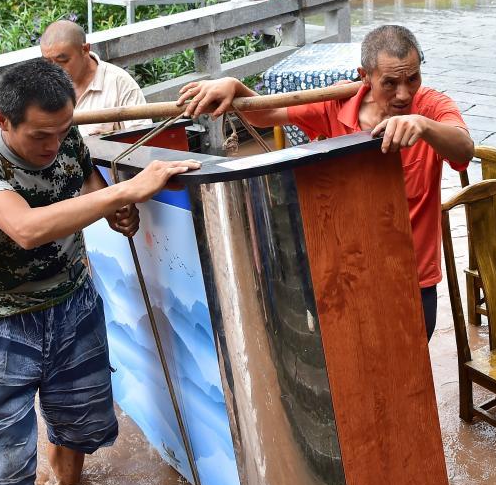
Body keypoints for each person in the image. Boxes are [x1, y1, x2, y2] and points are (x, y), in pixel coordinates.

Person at [0, 59, 198, 485]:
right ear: (3, 121)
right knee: (7, 457)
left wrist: (116, 209)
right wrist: (128, 189)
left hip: (73, 306)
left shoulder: (65, 141)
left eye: (63, 131)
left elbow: (89, 187)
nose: (53, 146)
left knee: (81, 422)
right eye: (40, 135)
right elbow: (26, 228)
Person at [179, 24, 474, 340]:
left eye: (412, 78)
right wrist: (234, 87)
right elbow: (269, 113)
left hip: (411, 277)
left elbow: (464, 149)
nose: (403, 94)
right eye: (390, 83)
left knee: (408, 377)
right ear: (365, 76)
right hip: (346, 275)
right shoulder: (336, 102)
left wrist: (423, 126)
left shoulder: (431, 107)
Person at [40, 20, 152, 136]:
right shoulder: (42, 85)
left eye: (63, 61)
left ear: (85, 50)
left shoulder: (120, 83)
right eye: (47, 62)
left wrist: (108, 142)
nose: (54, 69)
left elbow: (142, 141)